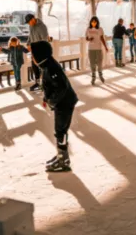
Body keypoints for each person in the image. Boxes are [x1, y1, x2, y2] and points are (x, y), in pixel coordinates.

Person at [31, 41, 78, 172]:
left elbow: (61, 87)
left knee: (60, 131)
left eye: (33, 55)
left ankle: (63, 160)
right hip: (62, 102)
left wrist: (51, 100)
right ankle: (61, 155)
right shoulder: (47, 65)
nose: (32, 58)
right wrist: (47, 98)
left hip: (65, 103)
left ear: (40, 55)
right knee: (60, 131)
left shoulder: (51, 67)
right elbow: (50, 86)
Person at [25, 13, 51, 92]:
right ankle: (37, 83)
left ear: (33, 19)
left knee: (43, 67)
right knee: (34, 67)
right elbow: (30, 36)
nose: (29, 24)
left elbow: (45, 40)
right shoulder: (31, 26)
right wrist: (28, 43)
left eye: (29, 22)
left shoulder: (42, 27)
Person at [86, 16, 108, 85]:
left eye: (95, 22)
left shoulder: (100, 29)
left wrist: (105, 46)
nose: (93, 23)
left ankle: (100, 75)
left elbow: (102, 38)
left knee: (99, 62)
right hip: (91, 49)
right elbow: (86, 38)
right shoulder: (88, 29)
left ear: (97, 22)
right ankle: (93, 77)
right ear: (90, 22)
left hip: (98, 48)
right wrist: (89, 39)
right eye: (92, 22)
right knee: (92, 63)